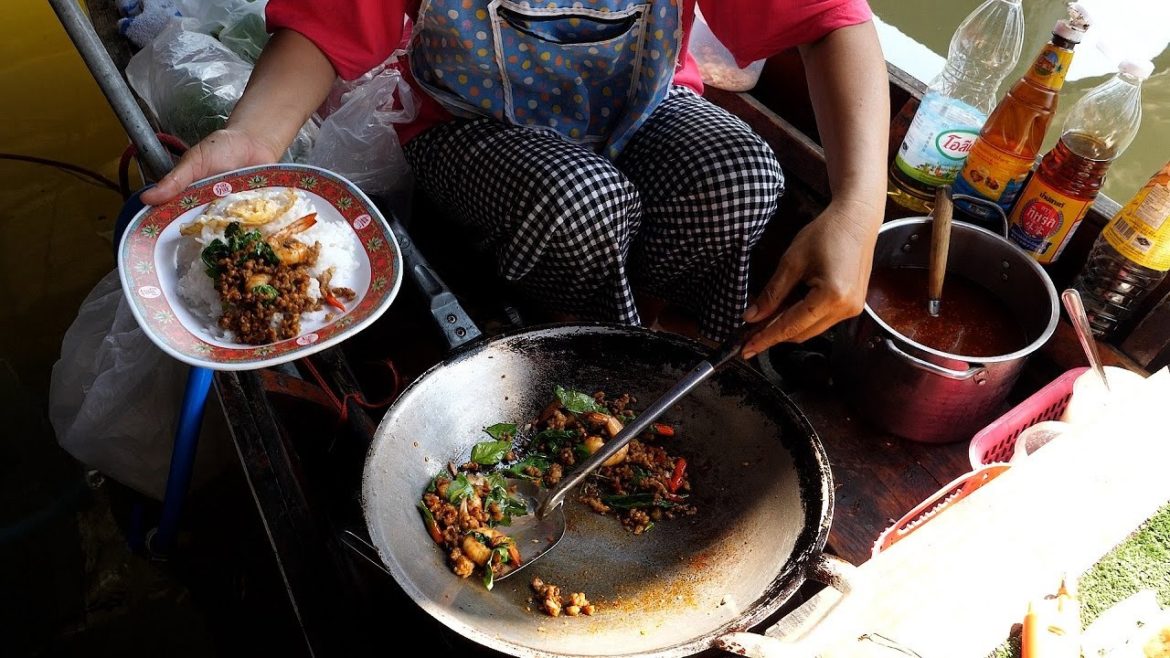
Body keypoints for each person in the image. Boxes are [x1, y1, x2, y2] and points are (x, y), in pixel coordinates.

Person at [142, 0, 889, 359]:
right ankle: (581, 339)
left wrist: (859, 206)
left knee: (742, 174)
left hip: (641, 106)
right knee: (581, 203)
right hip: (469, 127)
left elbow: (830, 21)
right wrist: (254, 138)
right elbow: (321, 29)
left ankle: (664, 324)